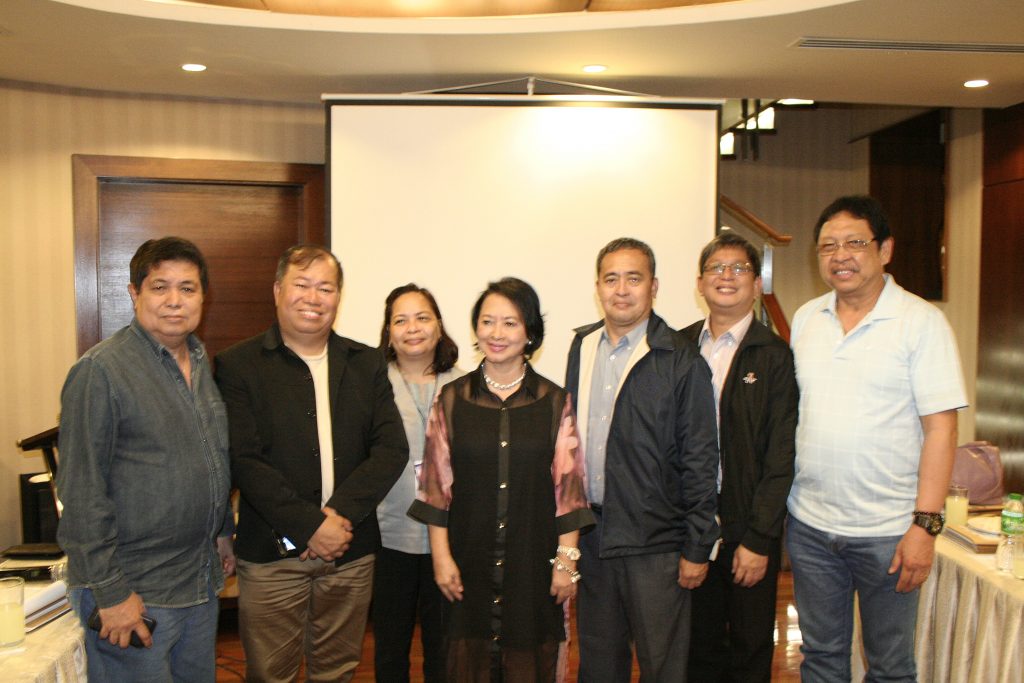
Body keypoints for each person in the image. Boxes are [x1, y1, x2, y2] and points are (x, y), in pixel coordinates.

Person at [787, 196, 967, 682]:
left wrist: (924, 527)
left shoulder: (921, 322)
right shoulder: (806, 319)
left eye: (854, 243)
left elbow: (942, 429)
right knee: (821, 658)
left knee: (889, 667)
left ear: (884, 250)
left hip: (889, 532)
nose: (839, 255)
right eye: (828, 246)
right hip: (810, 528)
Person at [215, 244, 408, 682]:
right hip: (271, 555)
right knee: (270, 674)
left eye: (326, 287)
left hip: (350, 548)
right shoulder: (238, 364)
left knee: (338, 671)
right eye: (302, 285)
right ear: (278, 290)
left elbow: (391, 449)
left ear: (339, 297)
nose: (314, 297)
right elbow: (244, 459)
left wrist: (336, 520)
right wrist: (309, 526)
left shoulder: (365, 363)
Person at [56, 237, 235, 682]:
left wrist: (222, 532)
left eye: (188, 288)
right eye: (160, 287)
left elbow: (210, 455)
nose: (175, 301)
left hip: (197, 581)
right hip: (135, 593)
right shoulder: (100, 371)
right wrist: (112, 593)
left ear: (203, 297)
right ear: (135, 293)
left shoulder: (198, 359)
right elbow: (79, 494)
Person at [409, 277, 594, 683]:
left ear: (529, 333)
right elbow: (436, 488)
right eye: (487, 321)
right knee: (466, 664)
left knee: (530, 663)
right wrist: (441, 559)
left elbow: (570, 490)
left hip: (533, 562)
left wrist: (566, 562)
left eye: (510, 323)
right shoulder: (452, 399)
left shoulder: (554, 401)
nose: (497, 333)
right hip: (467, 562)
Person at [566, 237, 720, 682]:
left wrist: (697, 546)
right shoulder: (582, 346)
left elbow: (700, 459)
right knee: (599, 664)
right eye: (611, 278)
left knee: (663, 666)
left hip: (657, 544)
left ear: (654, 286)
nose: (621, 289)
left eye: (633, 278)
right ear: (598, 286)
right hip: (595, 536)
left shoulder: (681, 359)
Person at [679, 233, 798, 682]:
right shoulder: (677, 348)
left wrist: (759, 538)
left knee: (749, 649)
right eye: (716, 268)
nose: (726, 277)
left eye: (739, 269)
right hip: (691, 526)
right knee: (696, 646)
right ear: (700, 282)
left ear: (755, 285)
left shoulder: (773, 355)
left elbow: (780, 456)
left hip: (748, 526)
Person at [374, 283, 465, 682]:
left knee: (445, 649)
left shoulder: (467, 386)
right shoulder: (371, 384)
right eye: (401, 319)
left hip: (452, 539)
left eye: (422, 317)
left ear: (439, 325)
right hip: (387, 536)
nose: (413, 328)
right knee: (390, 649)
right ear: (388, 331)